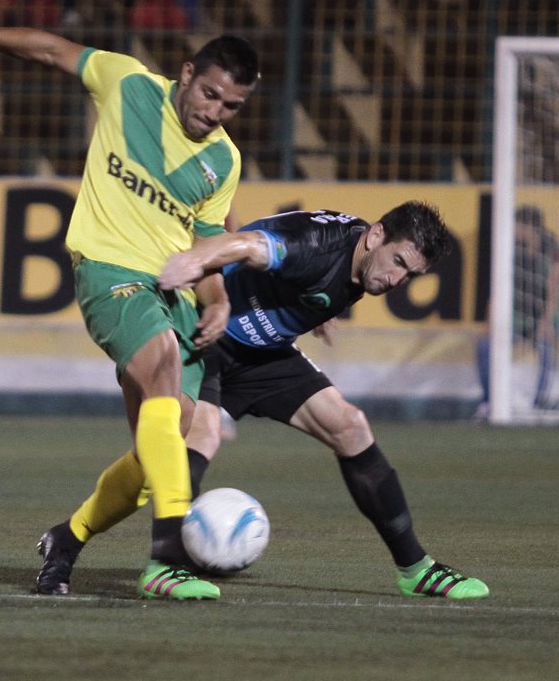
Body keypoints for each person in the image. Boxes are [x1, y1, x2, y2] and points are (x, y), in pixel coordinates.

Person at [0, 24, 261, 601]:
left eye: (231, 106)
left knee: (155, 458)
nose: (214, 112)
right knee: (163, 366)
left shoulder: (223, 159)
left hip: (176, 297)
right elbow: (49, 49)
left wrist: (218, 300)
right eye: (210, 94)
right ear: (187, 74)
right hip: (110, 274)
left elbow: (206, 244)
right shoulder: (127, 84)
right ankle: (167, 562)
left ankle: (66, 540)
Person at [37, 202, 490, 600]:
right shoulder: (317, 244)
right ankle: (156, 562)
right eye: (398, 262)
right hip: (207, 335)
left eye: (410, 275)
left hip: (263, 354)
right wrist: (194, 260)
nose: (396, 279)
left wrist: (317, 311)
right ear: (375, 236)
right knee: (193, 440)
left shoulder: (358, 264)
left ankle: (415, 570)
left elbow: (307, 283)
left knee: (350, 426)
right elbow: (247, 244)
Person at [476, 204, 559, 415]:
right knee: (484, 345)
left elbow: (554, 289)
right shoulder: (509, 250)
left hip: (546, 315)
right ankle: (488, 402)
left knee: (546, 346)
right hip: (518, 318)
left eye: (517, 225)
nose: (514, 230)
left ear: (529, 227)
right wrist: (489, 322)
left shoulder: (554, 250)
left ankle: (540, 403)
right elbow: (497, 289)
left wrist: (547, 321)